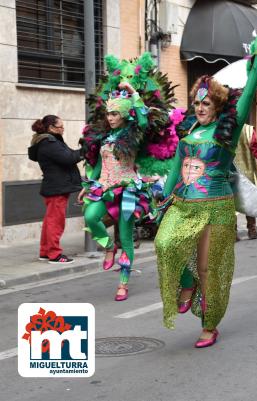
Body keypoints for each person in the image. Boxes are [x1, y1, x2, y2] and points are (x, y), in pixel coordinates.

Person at [154, 35, 257, 348]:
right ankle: (186, 284)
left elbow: (247, 94)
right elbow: (176, 167)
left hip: (216, 208)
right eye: (197, 103)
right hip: (183, 205)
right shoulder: (189, 131)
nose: (200, 108)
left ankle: (209, 324)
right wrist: (162, 195)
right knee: (164, 244)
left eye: (206, 103)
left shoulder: (228, 129)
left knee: (208, 268)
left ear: (217, 106)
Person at [80, 52, 178, 302]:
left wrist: (132, 91)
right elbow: (98, 166)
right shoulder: (104, 138)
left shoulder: (134, 134)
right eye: (108, 114)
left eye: (114, 114)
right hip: (104, 187)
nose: (110, 118)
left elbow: (143, 117)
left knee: (126, 236)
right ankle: (108, 248)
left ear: (123, 115)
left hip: (127, 189)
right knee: (91, 217)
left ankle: (123, 282)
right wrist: (88, 186)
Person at [28, 115, 83, 264]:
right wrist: (85, 150)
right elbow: (69, 158)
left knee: (50, 220)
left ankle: (45, 252)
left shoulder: (49, 141)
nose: (63, 129)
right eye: (61, 127)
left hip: (55, 186)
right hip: (57, 187)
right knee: (55, 222)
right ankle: (54, 254)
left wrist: (80, 150)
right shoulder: (49, 143)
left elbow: (70, 154)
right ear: (52, 128)